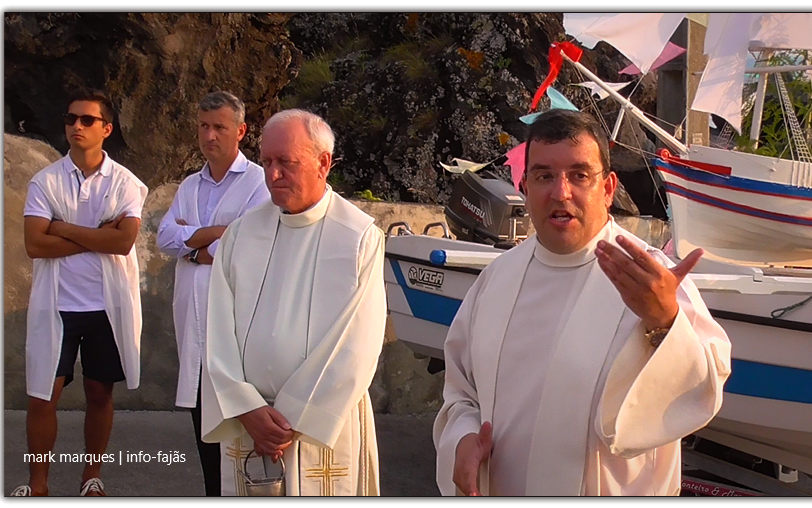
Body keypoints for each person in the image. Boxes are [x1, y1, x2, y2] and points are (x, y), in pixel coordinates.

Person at [433, 109, 732, 496]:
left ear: (608, 188)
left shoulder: (651, 278)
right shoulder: (497, 278)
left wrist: (664, 320)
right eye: (544, 176)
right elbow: (461, 392)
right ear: (524, 187)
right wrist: (461, 440)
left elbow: (705, 389)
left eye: (579, 175)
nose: (561, 192)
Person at [200, 109, 386, 496]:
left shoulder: (357, 237)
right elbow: (216, 330)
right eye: (266, 161)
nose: (272, 174)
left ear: (323, 163)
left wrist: (292, 419)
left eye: (286, 162)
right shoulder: (241, 234)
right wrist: (246, 407)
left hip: (319, 429)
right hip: (249, 424)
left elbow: (357, 345)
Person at [14, 89, 148, 497]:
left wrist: (63, 227)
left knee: (98, 392)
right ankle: (38, 485)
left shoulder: (126, 183)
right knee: (42, 396)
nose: (76, 126)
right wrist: (98, 235)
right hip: (58, 305)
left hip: (105, 305)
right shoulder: (45, 181)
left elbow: (123, 242)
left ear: (106, 129)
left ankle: (92, 476)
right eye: (71, 119)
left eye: (87, 120)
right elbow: (36, 244)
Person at [156, 91, 270, 496]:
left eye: (219, 126)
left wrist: (193, 246)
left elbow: (248, 241)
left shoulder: (258, 181)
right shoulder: (190, 184)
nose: (209, 135)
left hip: (236, 328)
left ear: (240, 131)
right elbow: (166, 237)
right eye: (203, 126)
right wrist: (212, 238)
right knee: (205, 431)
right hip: (195, 323)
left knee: (239, 435)